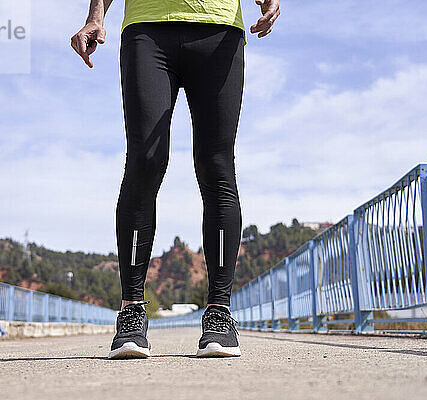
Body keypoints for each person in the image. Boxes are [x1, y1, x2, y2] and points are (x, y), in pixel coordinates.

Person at [71, 0, 280, 359]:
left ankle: (218, 311)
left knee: (217, 167)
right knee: (145, 161)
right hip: (148, 28)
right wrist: (95, 16)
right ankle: (132, 312)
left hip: (219, 27)